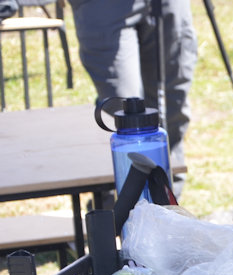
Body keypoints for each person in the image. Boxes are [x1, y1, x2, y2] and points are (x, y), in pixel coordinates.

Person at [68, 0, 197, 195]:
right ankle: (120, 210)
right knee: (127, 116)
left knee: (171, 109)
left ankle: (168, 205)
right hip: (104, 7)